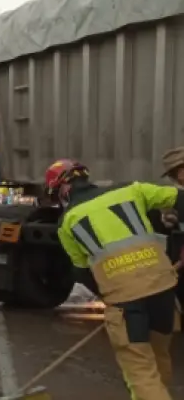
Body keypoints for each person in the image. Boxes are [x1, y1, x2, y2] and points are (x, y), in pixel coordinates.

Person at [48, 159, 182, 400]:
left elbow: (81, 271)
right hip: (163, 292)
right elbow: (179, 198)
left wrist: (108, 296)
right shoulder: (132, 189)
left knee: (141, 373)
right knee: (159, 358)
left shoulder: (67, 222)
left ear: (63, 190)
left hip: (125, 301)